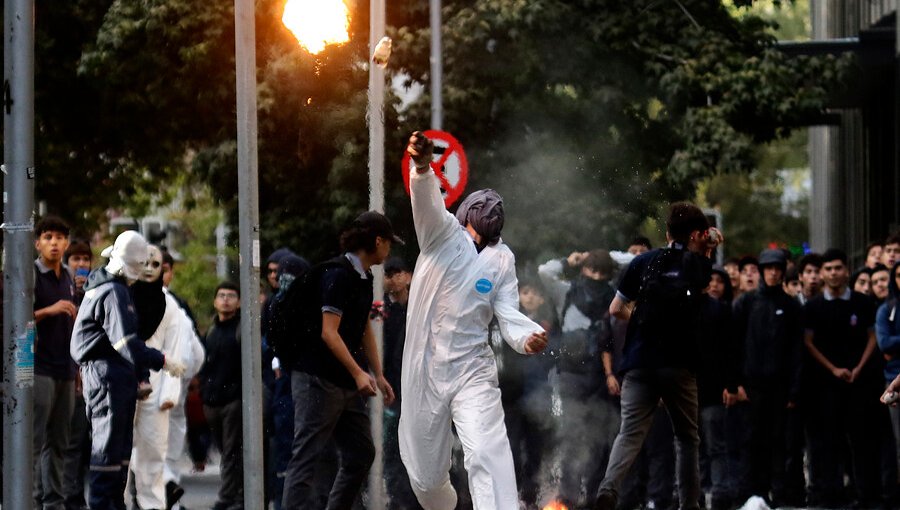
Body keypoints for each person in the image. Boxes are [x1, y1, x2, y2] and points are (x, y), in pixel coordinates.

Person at [399, 131, 548, 510]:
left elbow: (508, 311)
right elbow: (427, 203)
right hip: (427, 367)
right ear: (462, 217)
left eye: (485, 235)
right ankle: (442, 502)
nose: (476, 239)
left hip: (472, 369)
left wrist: (526, 335)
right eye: (473, 228)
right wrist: (421, 167)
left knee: (486, 449)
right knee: (425, 474)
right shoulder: (441, 234)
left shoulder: (502, 260)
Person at [593, 202, 721, 510]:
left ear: (666, 233)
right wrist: (709, 245)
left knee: (629, 433)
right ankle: (689, 504)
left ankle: (608, 489)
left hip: (638, 362)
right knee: (687, 438)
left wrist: (637, 315)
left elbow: (614, 309)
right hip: (679, 366)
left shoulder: (643, 262)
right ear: (697, 235)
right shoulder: (697, 265)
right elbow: (704, 278)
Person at [280, 211, 398, 509]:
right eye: (389, 243)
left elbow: (362, 328)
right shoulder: (337, 275)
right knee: (306, 457)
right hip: (317, 379)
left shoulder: (364, 277)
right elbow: (329, 333)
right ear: (377, 241)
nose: (390, 250)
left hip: (344, 381)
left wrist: (378, 373)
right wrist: (359, 374)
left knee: (360, 453)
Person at [69, 230, 185, 510]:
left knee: (118, 455)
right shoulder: (113, 292)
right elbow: (128, 344)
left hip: (111, 376)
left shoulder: (104, 285)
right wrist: (162, 360)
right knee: (108, 455)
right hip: (108, 377)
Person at [803, 249, 884, 508]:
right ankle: (832, 495)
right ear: (823, 273)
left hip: (859, 384)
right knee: (829, 442)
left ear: (846, 271)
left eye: (838, 268)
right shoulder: (814, 306)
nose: (833, 273)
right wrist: (832, 369)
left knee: (861, 442)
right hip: (826, 386)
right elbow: (808, 342)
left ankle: (865, 495)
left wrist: (859, 367)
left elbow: (873, 336)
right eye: (828, 269)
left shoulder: (862, 302)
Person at [538, 250, 618, 508]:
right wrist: (568, 260)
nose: (596, 277)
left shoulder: (615, 294)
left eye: (602, 272)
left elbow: (637, 261)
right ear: (583, 269)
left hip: (603, 375)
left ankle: (594, 496)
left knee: (599, 441)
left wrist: (611, 257)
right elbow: (544, 272)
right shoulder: (567, 292)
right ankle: (568, 497)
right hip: (571, 374)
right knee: (571, 437)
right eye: (591, 270)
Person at [732, 249, 803, 507]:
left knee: (779, 443)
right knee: (751, 442)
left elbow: (797, 350)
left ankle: (779, 495)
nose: (773, 272)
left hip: (781, 388)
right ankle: (749, 495)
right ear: (762, 270)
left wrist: (794, 390)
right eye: (769, 268)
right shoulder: (745, 303)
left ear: (783, 271)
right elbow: (734, 346)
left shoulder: (791, 305)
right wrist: (735, 384)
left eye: (777, 268)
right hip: (751, 387)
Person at [129, 245, 197, 510]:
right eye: (143, 263)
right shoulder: (119, 294)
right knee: (119, 454)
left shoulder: (170, 305)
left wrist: (170, 393)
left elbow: (177, 349)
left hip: (156, 387)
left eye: (155, 265)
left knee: (154, 454)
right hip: (121, 382)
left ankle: (153, 505)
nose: (148, 270)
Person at [33, 216, 78, 510]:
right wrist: (49, 310)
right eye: (48, 237)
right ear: (37, 243)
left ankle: (55, 502)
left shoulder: (70, 278)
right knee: (34, 441)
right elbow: (14, 319)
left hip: (66, 369)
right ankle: (29, 500)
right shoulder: (29, 275)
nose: (54, 243)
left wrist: (78, 370)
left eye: (60, 238)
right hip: (38, 369)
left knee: (61, 442)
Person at [378, 257, 423, 510]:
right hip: (391, 391)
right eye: (387, 274)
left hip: (417, 390)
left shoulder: (420, 308)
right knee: (393, 450)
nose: (392, 278)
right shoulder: (379, 310)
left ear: (408, 276)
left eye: (397, 272)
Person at [199, 282, 244, 510]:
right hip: (211, 401)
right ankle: (235, 494)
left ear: (239, 302)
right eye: (222, 295)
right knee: (226, 451)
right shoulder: (212, 331)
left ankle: (230, 498)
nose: (226, 299)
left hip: (233, 401)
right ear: (215, 301)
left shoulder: (241, 330)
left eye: (231, 295)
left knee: (232, 451)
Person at [696, 266, 736, 510]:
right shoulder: (680, 310)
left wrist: (729, 385)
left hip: (712, 390)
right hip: (686, 391)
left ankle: (720, 495)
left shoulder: (721, 310)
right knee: (692, 447)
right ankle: (694, 494)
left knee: (716, 446)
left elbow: (730, 351)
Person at [61, 240, 93, 510]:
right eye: (76, 259)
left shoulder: (94, 293)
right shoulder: (63, 293)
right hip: (66, 377)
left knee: (85, 446)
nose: (81, 265)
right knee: (70, 445)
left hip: (90, 380)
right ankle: (70, 500)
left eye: (85, 259)